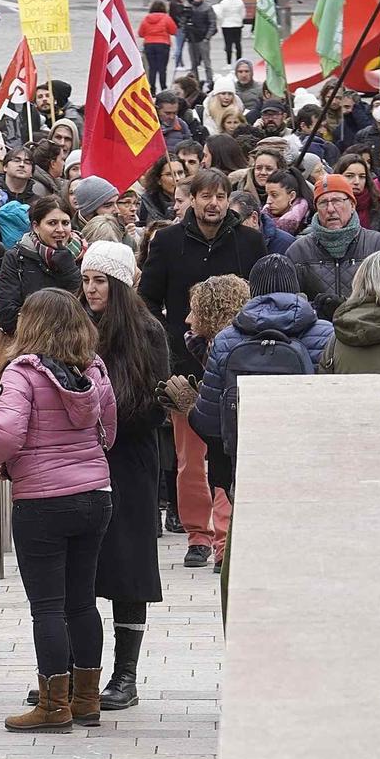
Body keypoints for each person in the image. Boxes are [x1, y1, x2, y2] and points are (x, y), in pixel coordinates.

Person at [0, 288, 117, 732]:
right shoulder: (93, 369)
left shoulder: (23, 372)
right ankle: (87, 699)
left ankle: (54, 705)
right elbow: (108, 430)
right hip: (95, 494)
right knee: (82, 601)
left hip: (41, 500)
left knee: (48, 607)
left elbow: (7, 432)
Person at [138, 169, 266, 568]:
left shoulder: (249, 241)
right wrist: (171, 338)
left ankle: (227, 536)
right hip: (185, 366)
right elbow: (147, 301)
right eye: (205, 195)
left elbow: (261, 299)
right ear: (190, 198)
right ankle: (198, 532)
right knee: (189, 458)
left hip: (238, 364)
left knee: (229, 454)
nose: (213, 203)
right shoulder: (169, 241)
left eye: (221, 195)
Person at [68, 243, 169, 713]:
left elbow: (155, 403)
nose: (90, 289)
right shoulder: (73, 328)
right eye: (86, 280)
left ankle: (124, 674)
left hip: (128, 459)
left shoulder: (148, 332)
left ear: (121, 285)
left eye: (100, 281)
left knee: (127, 568)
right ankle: (74, 670)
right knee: (80, 568)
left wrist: (109, 417)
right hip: (80, 458)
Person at [189, 255, 332, 566]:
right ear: (297, 289)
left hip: (247, 462)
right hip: (307, 461)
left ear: (253, 291)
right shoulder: (324, 332)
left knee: (246, 554)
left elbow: (208, 419)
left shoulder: (228, 338)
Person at [287, 174, 380, 314]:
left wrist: (348, 307)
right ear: (316, 209)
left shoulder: (379, 246)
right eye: (323, 203)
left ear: (352, 205)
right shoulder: (298, 251)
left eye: (337, 201)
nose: (330, 209)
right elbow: (291, 305)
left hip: (367, 329)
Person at [0, 196, 82, 333]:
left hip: (74, 342)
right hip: (28, 344)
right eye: (52, 223)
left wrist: (70, 271)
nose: (60, 229)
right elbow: (7, 313)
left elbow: (86, 307)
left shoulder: (84, 254)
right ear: (36, 226)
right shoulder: (16, 257)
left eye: (65, 223)